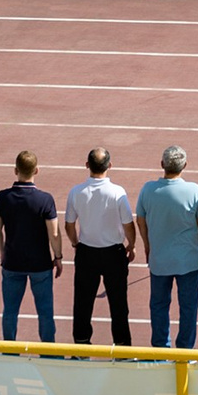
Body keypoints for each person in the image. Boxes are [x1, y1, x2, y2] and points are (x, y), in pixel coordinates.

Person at [137, 144, 198, 349]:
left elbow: (140, 221)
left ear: (162, 164)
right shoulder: (194, 190)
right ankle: (185, 350)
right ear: (185, 165)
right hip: (188, 260)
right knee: (189, 307)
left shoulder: (148, 189)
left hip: (159, 259)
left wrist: (147, 245)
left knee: (159, 305)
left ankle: (161, 349)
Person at [65, 146, 136, 345]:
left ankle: (81, 345)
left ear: (87, 165)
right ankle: (122, 347)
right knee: (118, 303)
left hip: (87, 252)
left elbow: (69, 224)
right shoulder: (117, 192)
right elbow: (128, 224)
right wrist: (132, 245)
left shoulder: (76, 192)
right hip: (114, 253)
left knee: (83, 303)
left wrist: (75, 243)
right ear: (109, 165)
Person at [0, 150, 62, 342]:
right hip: (40, 264)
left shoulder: (3, 197)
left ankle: (9, 351)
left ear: (16, 170)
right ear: (36, 170)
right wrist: (58, 257)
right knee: (45, 311)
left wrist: (2, 252)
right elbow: (54, 234)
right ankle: (49, 352)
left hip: (12, 262)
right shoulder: (45, 199)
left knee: (10, 311)